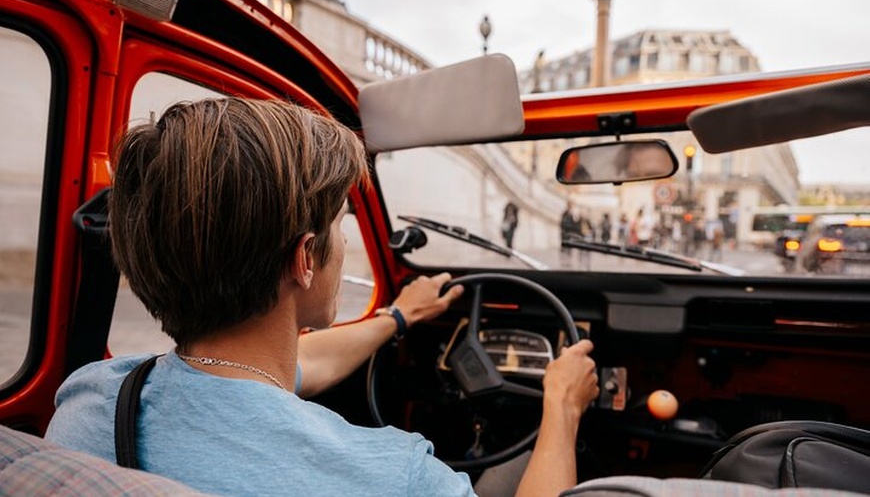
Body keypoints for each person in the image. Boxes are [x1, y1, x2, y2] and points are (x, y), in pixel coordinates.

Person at [45, 98, 599, 497]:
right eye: (341, 225)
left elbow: (272, 372)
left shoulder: (92, 401)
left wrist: (399, 317)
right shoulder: (396, 476)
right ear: (305, 258)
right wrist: (561, 407)